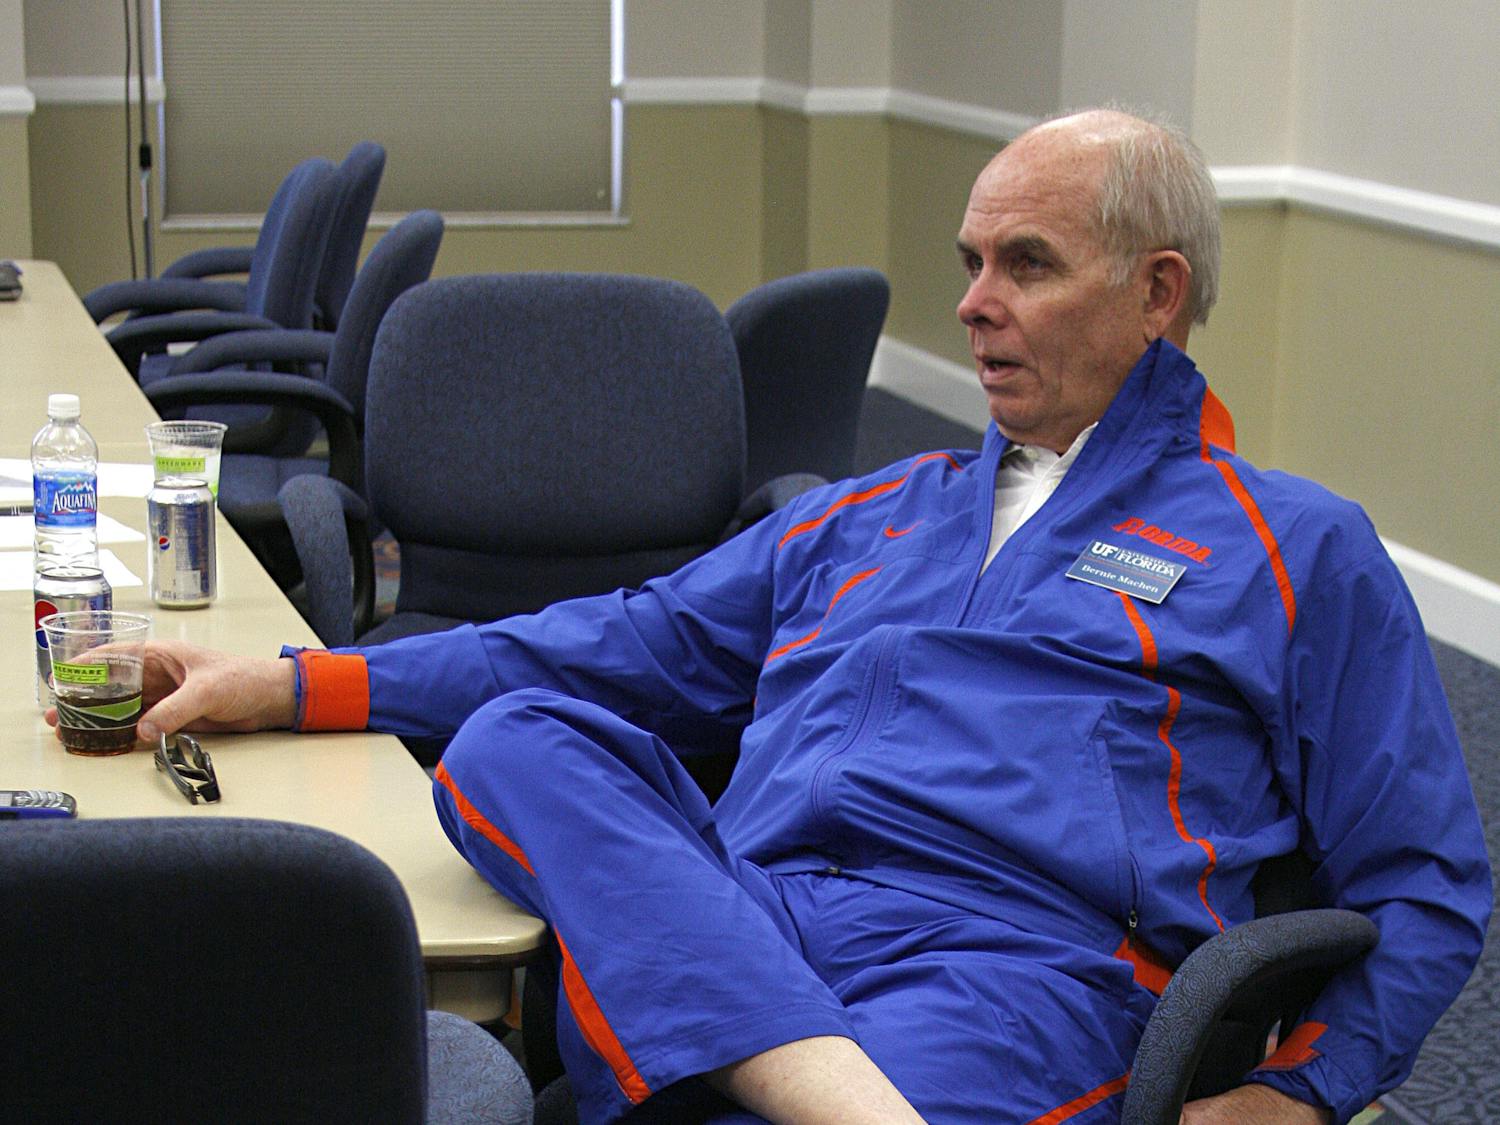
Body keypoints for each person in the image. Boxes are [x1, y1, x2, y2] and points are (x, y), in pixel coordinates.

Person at [78, 110, 1490, 1125]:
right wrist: (296, 678)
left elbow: (1425, 880)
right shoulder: (872, 509)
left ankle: (773, 1080)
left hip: (1013, 968)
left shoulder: (1294, 545)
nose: (972, 305)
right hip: (752, 910)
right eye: (970, 261)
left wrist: (1298, 1094)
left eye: (1026, 265)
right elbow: (605, 644)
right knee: (522, 735)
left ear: (1156, 294)